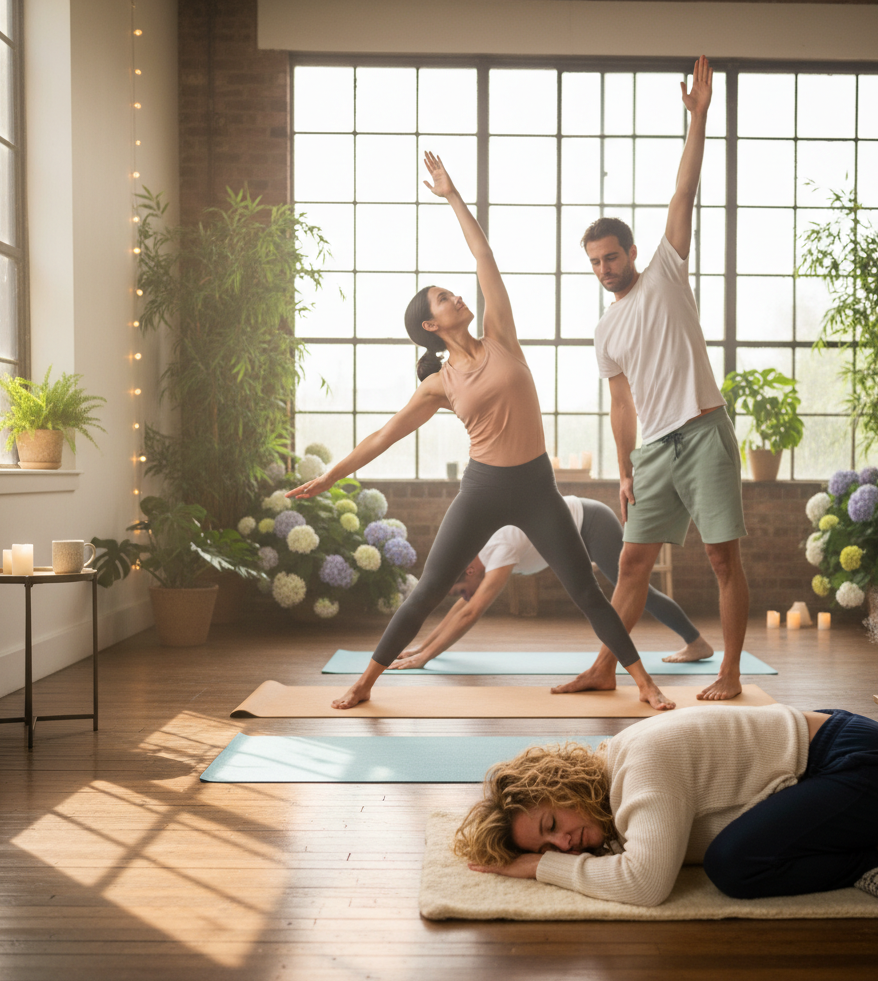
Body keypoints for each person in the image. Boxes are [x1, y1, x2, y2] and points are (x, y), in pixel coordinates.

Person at [288, 152, 676, 712]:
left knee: (587, 590)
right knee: (426, 591)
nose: (456, 297)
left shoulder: (501, 336)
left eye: (452, 292)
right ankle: (365, 682)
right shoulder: (439, 385)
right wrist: (328, 477)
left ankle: (644, 684)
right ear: (431, 326)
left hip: (537, 488)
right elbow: (383, 437)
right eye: (444, 299)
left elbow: (484, 254)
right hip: (484, 489)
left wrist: (451, 196)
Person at [562, 55, 749, 703]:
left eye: (611, 256)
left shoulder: (667, 269)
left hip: (703, 433)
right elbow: (620, 401)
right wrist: (624, 469)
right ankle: (603, 667)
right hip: (653, 452)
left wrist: (697, 119)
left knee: (722, 560)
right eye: (594, 262)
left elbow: (684, 192)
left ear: (632, 252)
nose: (605, 268)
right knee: (630, 563)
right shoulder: (605, 331)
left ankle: (728, 672)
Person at [456, 706, 878, 905]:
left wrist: (540, 868)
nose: (563, 844)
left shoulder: (640, 766)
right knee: (737, 845)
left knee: (733, 866)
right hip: (834, 760)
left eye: (552, 823)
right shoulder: (612, 787)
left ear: (562, 786)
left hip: (870, 768)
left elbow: (646, 884)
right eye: (550, 847)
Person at [391, 495, 712, 671]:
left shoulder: (498, 549)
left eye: (461, 589)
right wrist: (422, 647)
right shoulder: (479, 563)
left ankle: (696, 643)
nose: (464, 596)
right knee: (631, 590)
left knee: (637, 589)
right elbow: (463, 608)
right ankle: (694, 641)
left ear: (470, 573)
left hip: (591, 523)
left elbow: (471, 613)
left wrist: (425, 659)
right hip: (575, 528)